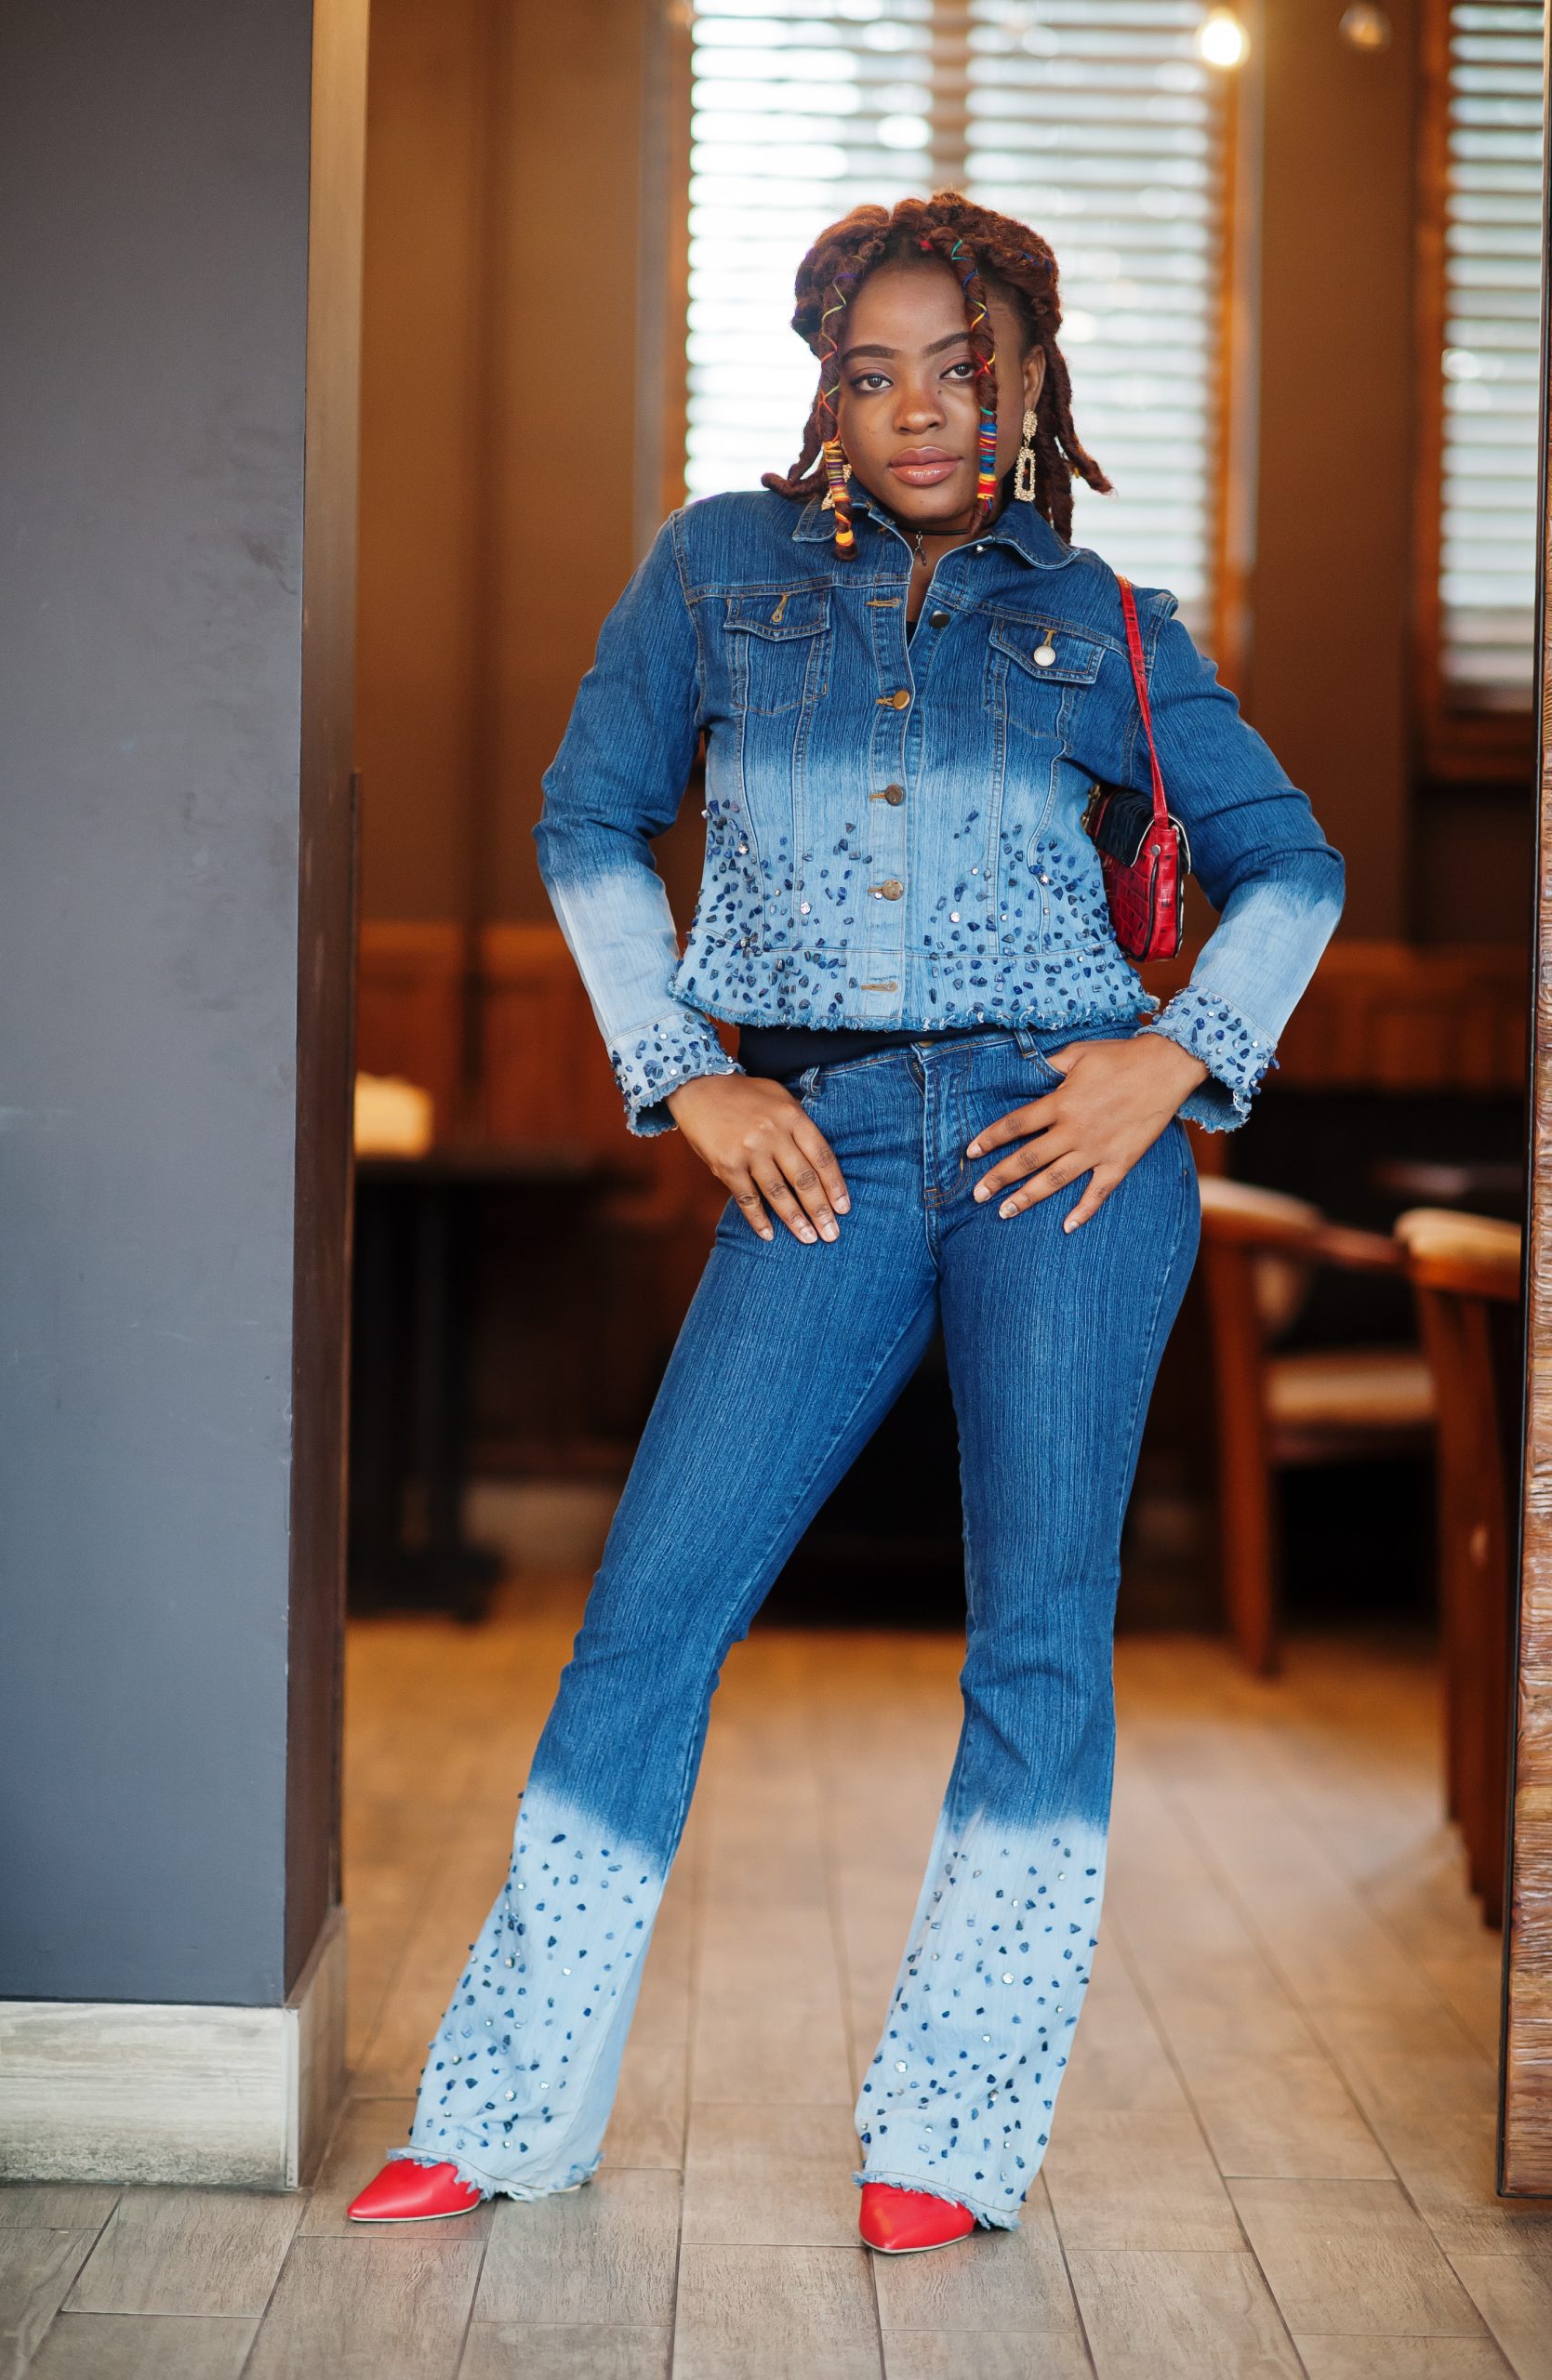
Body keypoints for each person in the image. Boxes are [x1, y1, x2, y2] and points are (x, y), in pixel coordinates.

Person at [347, 191, 1343, 2254]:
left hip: (1061, 1140)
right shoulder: (716, 575)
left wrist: (1174, 1060)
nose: (912, 410)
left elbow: (1294, 870)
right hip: (814, 1144)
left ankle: (949, 2135)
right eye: (869, 370)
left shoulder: (1107, 623)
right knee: (651, 1605)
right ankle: (509, 2104)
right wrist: (684, 1069)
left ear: (1028, 383)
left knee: (1040, 1634)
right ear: (826, 386)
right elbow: (584, 814)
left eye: (956, 370)